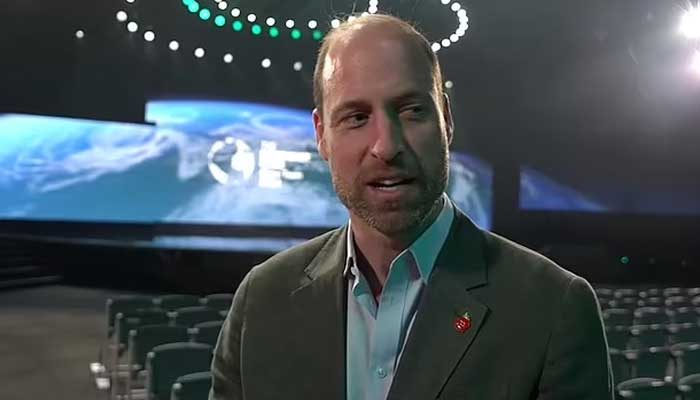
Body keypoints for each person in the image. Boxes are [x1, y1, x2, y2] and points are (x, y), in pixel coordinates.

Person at [210, 13, 613, 400]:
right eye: (356, 117)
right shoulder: (261, 301)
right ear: (321, 135)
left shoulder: (552, 308)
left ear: (446, 120)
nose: (386, 147)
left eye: (411, 110)